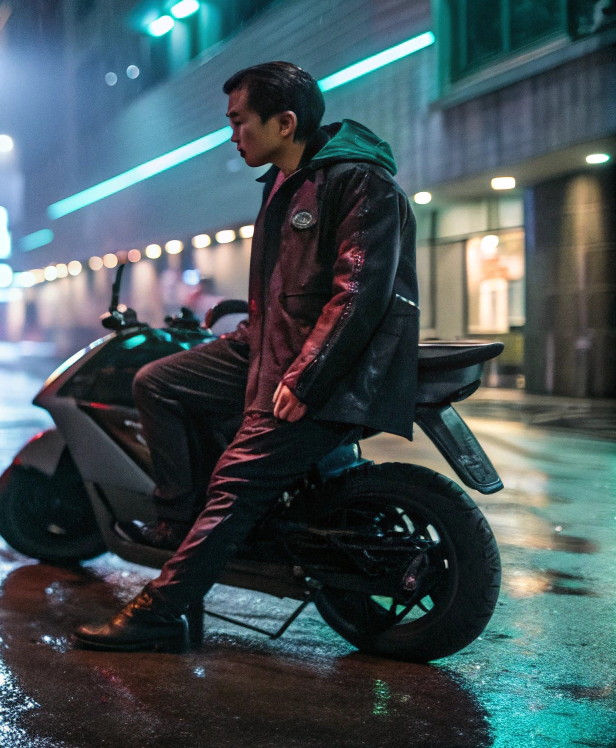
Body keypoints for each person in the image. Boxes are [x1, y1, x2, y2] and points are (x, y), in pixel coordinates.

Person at [74, 61, 420, 653]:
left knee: (235, 485)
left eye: (240, 122)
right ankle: (179, 524)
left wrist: (306, 378)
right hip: (266, 349)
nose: (232, 135)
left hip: (328, 370)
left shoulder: (359, 182)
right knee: (158, 381)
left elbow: (357, 295)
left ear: (284, 123)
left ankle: (162, 612)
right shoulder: (285, 184)